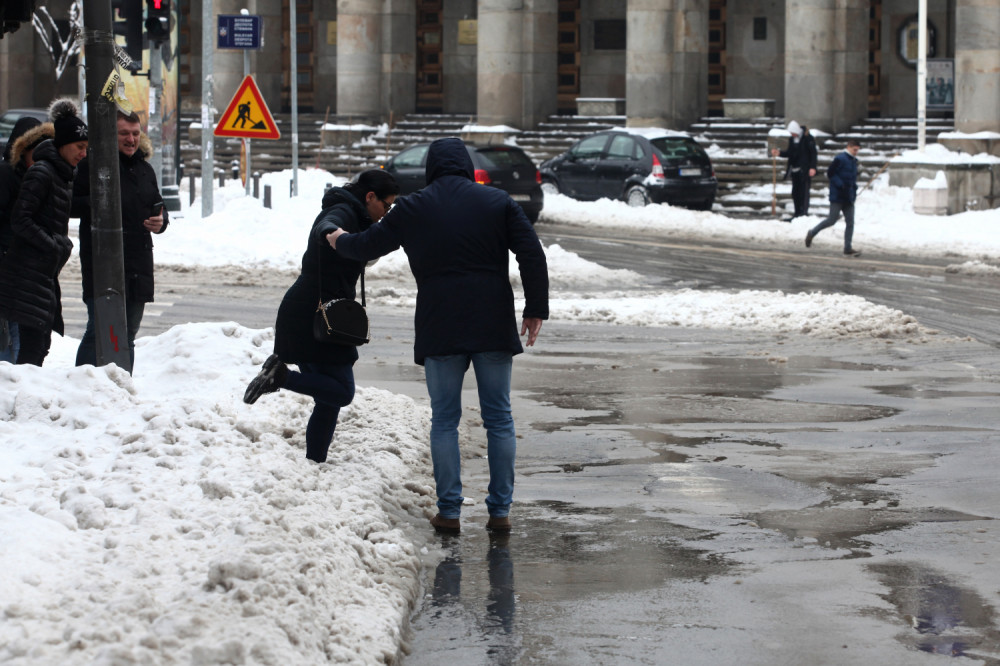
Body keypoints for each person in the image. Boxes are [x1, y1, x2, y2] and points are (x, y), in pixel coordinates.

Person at [329, 137, 549, 535]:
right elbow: (531, 253)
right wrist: (535, 308)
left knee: (445, 420)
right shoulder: (497, 202)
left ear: (431, 167)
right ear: (465, 166)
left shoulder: (414, 206)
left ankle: (449, 512)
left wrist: (336, 238)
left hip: (440, 321)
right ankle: (500, 511)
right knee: (499, 418)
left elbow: (366, 245)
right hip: (491, 320)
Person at [243, 170, 400, 464]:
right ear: (370, 197)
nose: (386, 212)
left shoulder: (359, 217)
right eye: (386, 205)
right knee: (341, 391)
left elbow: (365, 250)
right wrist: (332, 232)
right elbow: (327, 224)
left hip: (321, 312)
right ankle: (280, 377)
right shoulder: (343, 211)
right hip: (313, 314)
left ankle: (315, 462)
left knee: (328, 399)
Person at [72, 111, 168, 369]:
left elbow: (158, 204)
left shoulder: (145, 169)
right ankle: (83, 385)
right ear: (110, 135)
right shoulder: (92, 165)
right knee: (98, 331)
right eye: (124, 133)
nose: (131, 139)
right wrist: (99, 202)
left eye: (135, 133)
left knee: (127, 336)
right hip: (103, 264)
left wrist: (161, 221)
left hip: (138, 265)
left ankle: (122, 386)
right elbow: (70, 204)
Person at [0, 99, 88, 366]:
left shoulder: (63, 174)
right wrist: (53, 245)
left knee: (39, 345)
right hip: (26, 269)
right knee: (27, 347)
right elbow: (21, 219)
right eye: (80, 147)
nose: (83, 153)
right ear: (63, 144)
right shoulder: (41, 172)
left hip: (42, 271)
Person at [0, 115, 47, 363]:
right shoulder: (7, 175)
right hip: (9, 262)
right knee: (9, 334)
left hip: (27, 268)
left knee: (22, 333)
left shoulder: (39, 176)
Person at [806, 139, 862, 257]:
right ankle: (812, 232)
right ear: (849, 147)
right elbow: (830, 173)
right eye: (854, 150)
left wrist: (854, 188)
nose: (856, 152)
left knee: (850, 222)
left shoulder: (853, 161)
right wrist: (841, 185)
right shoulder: (840, 159)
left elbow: (852, 178)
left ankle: (847, 247)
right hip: (838, 196)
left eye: (857, 150)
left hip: (849, 196)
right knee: (831, 219)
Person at [770, 120, 817, 220]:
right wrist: (779, 153)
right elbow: (790, 153)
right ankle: (797, 212)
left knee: (804, 192)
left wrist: (813, 167)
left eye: (793, 132)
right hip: (794, 169)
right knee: (795, 192)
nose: (792, 134)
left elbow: (813, 154)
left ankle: (803, 213)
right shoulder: (792, 139)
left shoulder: (808, 138)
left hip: (805, 169)